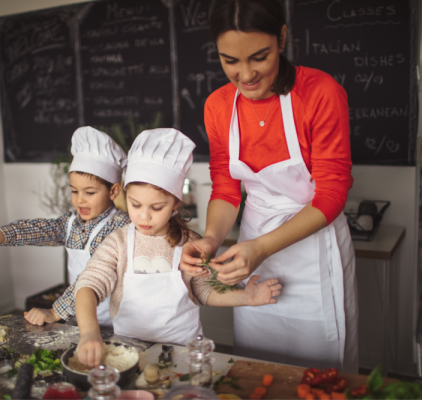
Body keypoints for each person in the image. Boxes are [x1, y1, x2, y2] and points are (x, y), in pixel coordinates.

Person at [180, 0, 358, 372]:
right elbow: (227, 187)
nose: (245, 75)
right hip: (254, 244)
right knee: (258, 368)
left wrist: (260, 248)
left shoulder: (320, 92)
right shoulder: (218, 106)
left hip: (313, 248)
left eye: (258, 57)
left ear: (282, 37)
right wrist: (212, 239)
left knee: (320, 374)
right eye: (230, 61)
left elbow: (331, 194)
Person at [73, 128, 282, 368]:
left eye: (157, 207)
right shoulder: (117, 243)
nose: (144, 216)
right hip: (128, 355)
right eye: (135, 204)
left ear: (175, 203)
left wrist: (246, 296)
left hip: (184, 354)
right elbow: (88, 285)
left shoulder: (190, 243)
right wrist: (90, 333)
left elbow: (203, 292)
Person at [0, 126, 130, 327]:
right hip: (80, 319)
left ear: (114, 191)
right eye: (74, 191)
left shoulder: (121, 227)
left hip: (117, 324)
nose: (80, 200)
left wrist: (54, 311)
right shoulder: (71, 223)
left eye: (89, 193)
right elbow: (32, 230)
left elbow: (90, 279)